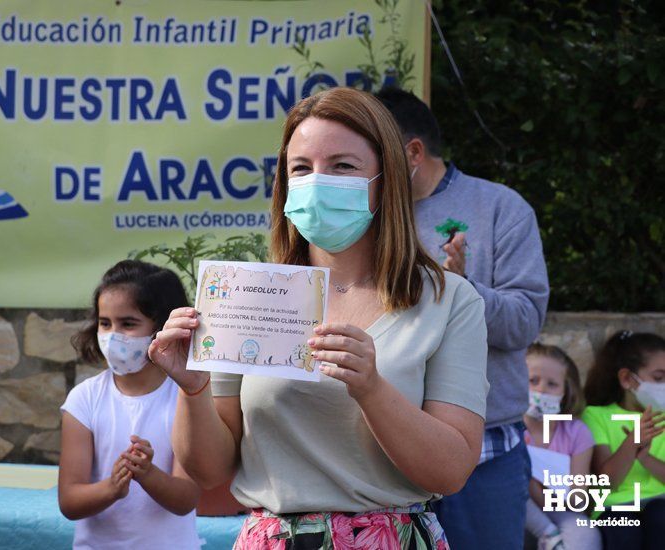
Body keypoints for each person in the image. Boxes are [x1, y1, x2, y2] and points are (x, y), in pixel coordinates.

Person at [149, 87, 489, 549]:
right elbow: (208, 471)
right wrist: (194, 389)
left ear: (384, 179)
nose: (317, 182)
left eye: (343, 166)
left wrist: (372, 389)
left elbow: (450, 471)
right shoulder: (247, 295)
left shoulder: (450, 300)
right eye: (301, 169)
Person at [377, 87, 550, 549]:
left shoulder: (501, 208)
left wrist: (463, 290)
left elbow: (525, 322)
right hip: (381, 448)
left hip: (485, 453)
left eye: (374, 151)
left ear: (412, 151)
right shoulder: (366, 216)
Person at [58, 260, 201, 550]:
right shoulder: (84, 399)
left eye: (128, 324)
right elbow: (69, 501)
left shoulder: (185, 397)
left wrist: (148, 474)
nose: (113, 336)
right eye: (105, 323)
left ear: (161, 327)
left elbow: (187, 498)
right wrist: (112, 487)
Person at [582, 330, 665, 549]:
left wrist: (646, 459)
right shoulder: (595, 416)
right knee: (623, 526)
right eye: (658, 377)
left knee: (660, 516)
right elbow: (606, 484)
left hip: (661, 504)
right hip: (615, 507)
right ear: (627, 379)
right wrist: (633, 442)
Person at [522, 343, 601, 550]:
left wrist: (542, 489)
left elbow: (578, 499)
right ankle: (549, 535)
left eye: (552, 384)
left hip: (559, 511)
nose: (541, 390)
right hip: (513, 509)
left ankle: (552, 538)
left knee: (585, 534)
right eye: (533, 381)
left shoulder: (576, 432)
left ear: (566, 391)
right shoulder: (508, 428)